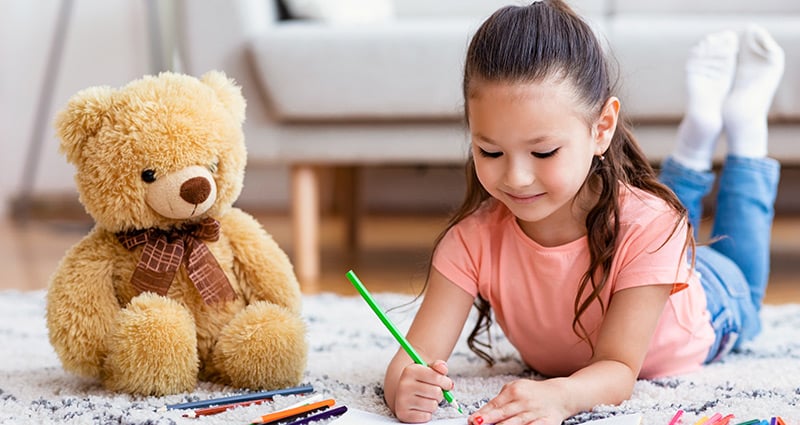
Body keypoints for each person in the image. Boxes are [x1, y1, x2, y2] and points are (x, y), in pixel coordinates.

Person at [382, 1, 785, 424]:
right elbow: (414, 357)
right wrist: (404, 385)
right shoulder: (469, 241)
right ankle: (698, 138)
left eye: (543, 151)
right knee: (662, 212)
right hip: (650, 239)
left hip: (715, 303)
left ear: (601, 129)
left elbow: (618, 369)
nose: (517, 178)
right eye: (490, 151)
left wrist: (560, 395)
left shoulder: (650, 226)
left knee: (741, 282)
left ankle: (745, 136)